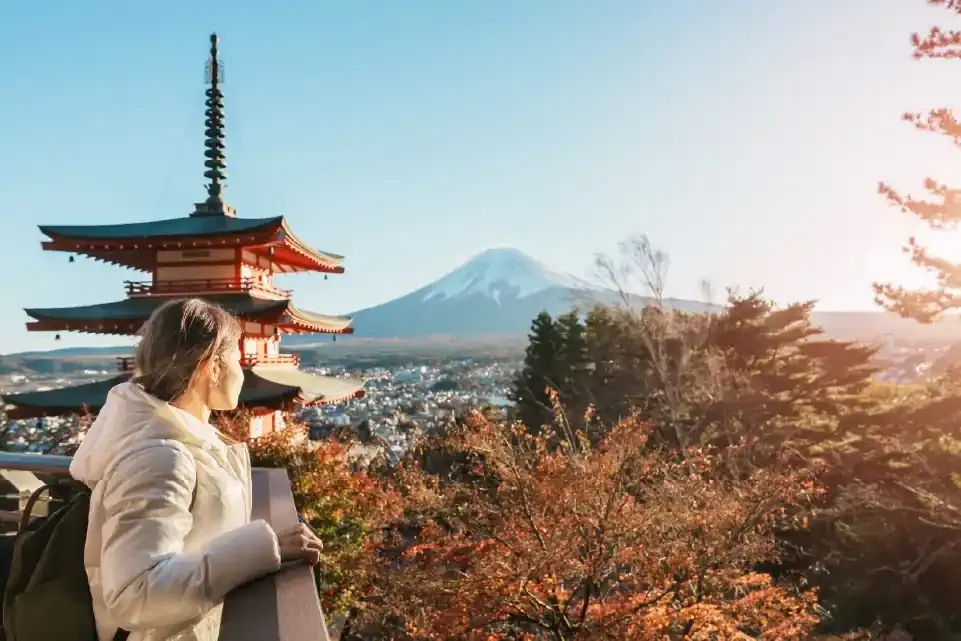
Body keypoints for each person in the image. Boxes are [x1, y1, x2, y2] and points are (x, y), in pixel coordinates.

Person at [69, 298, 324, 641]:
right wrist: (265, 548)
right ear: (212, 367)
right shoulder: (160, 457)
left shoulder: (180, 439)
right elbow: (135, 594)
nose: (242, 371)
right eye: (237, 358)